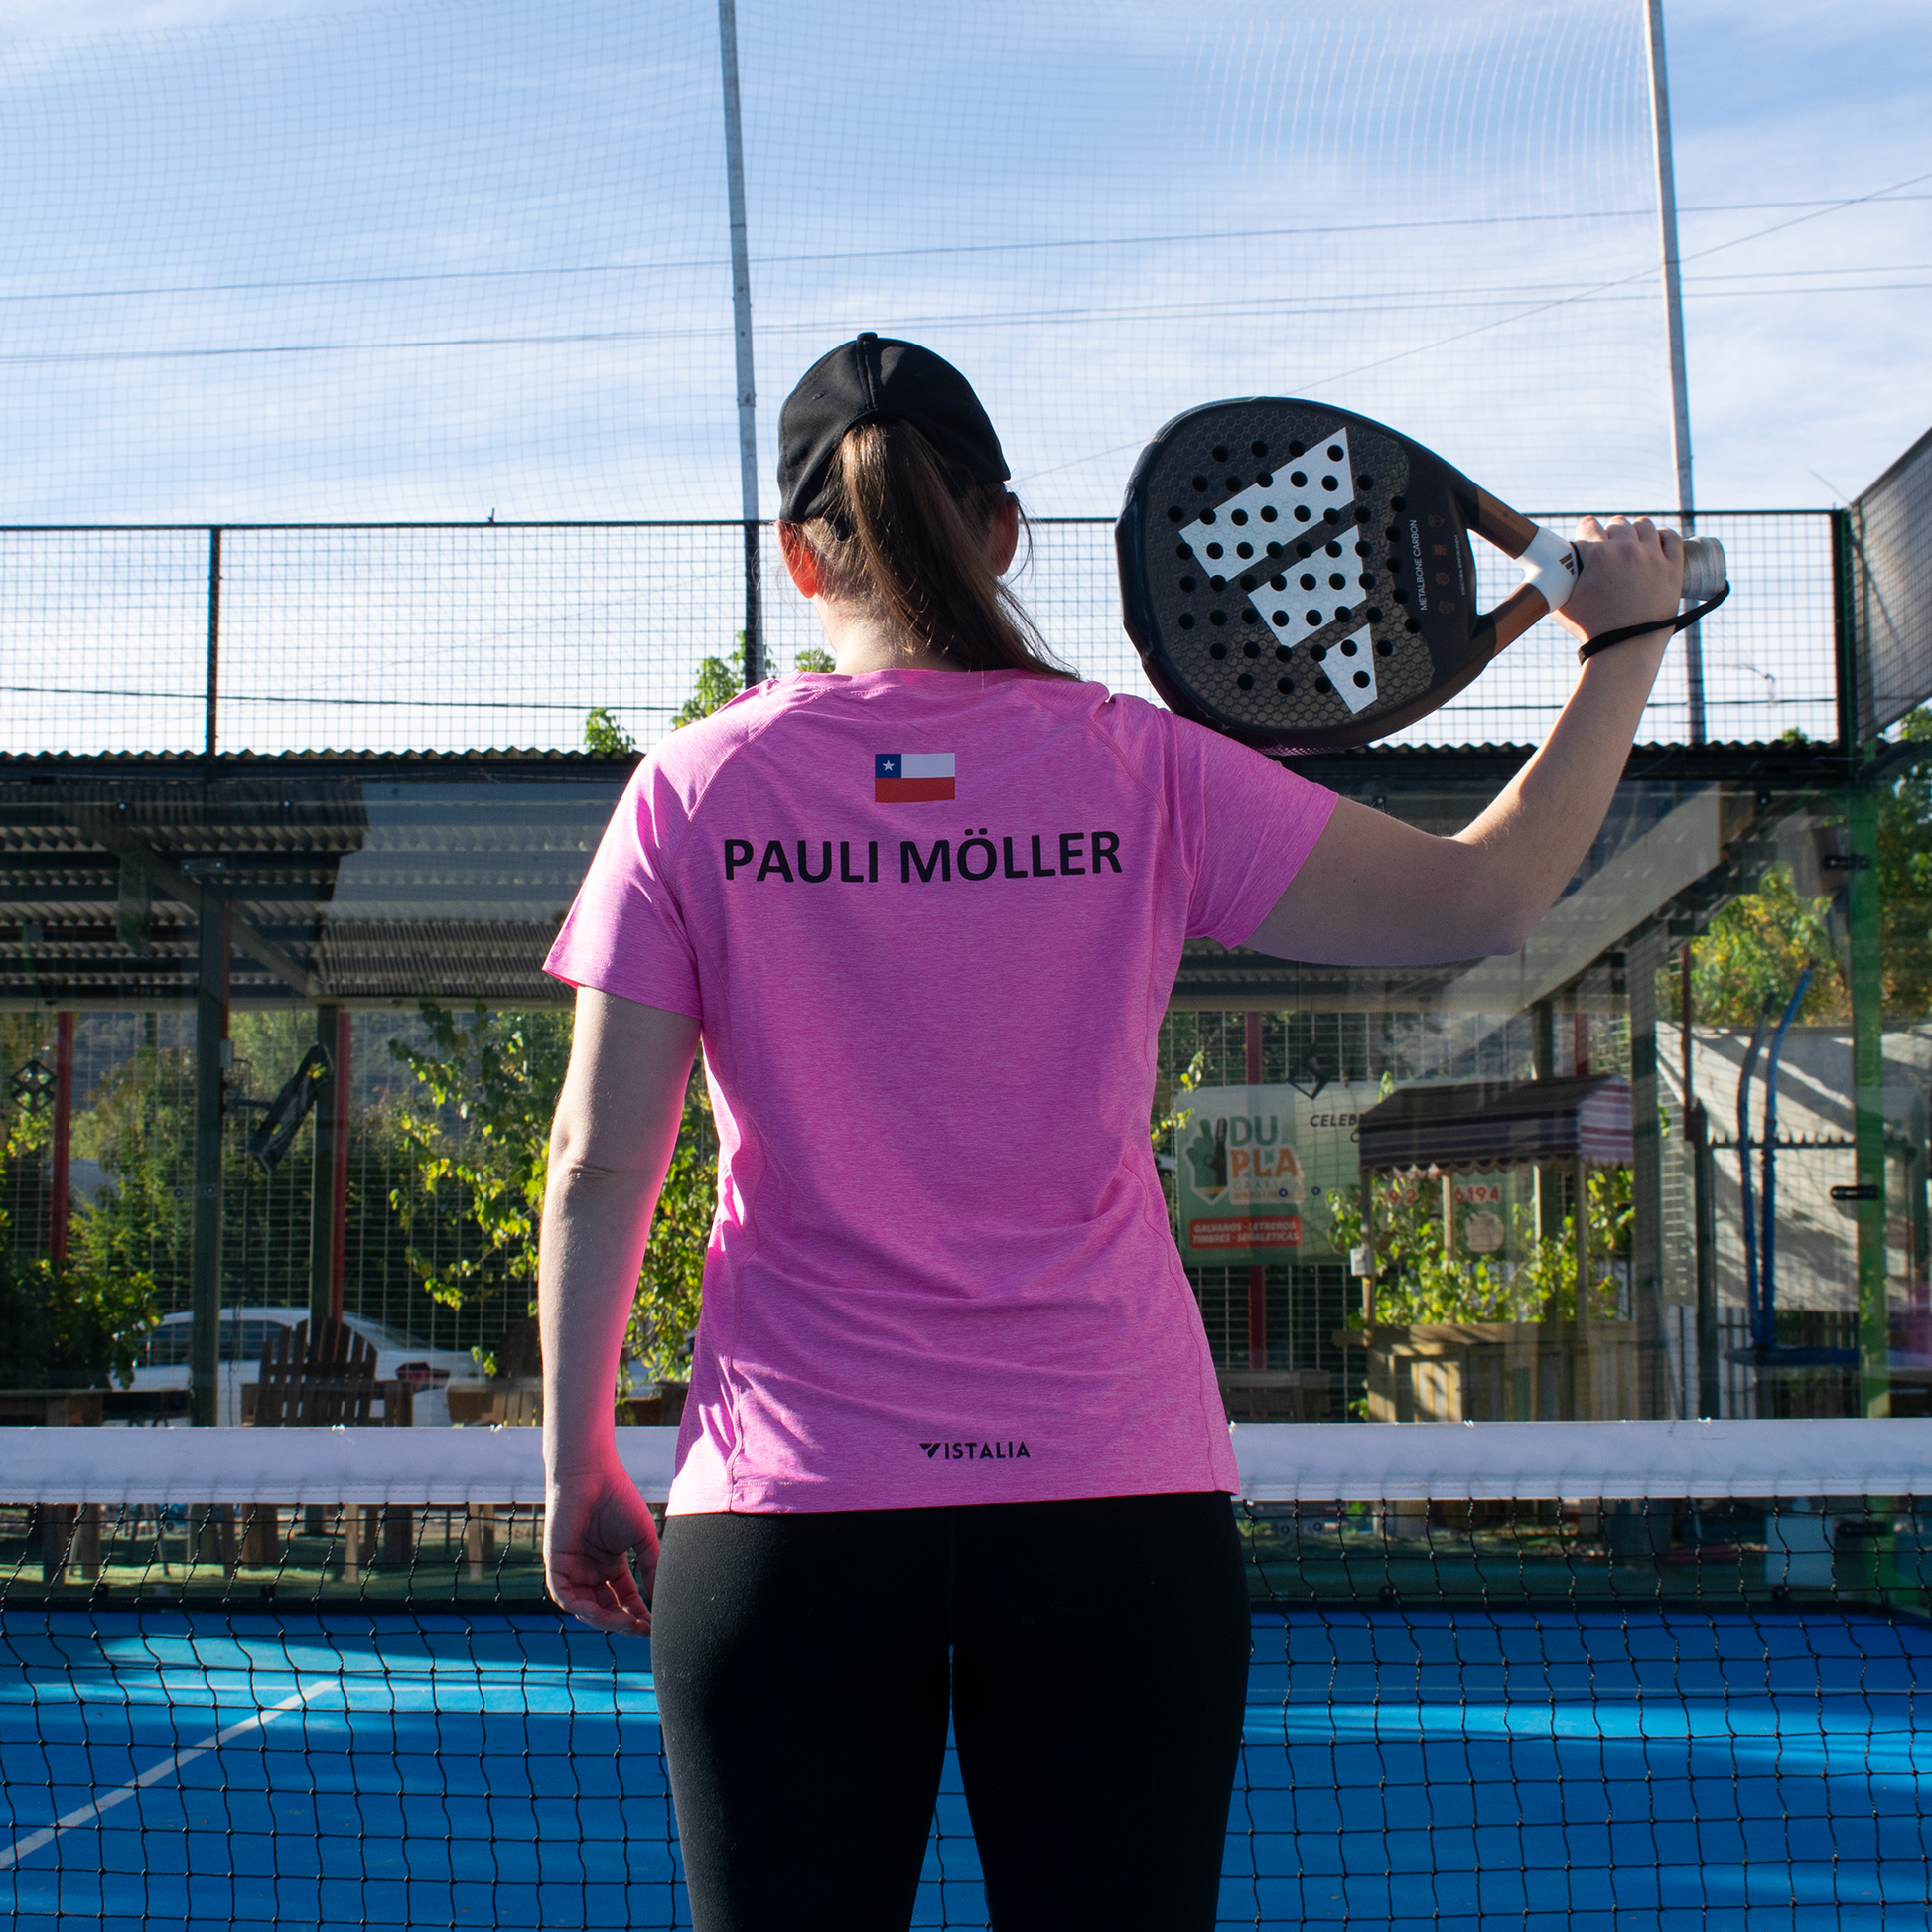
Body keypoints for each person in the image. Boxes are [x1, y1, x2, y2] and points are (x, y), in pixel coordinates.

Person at [538, 334, 1685, 1931]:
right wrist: (1619, 642)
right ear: (1002, 533)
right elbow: (1484, 895)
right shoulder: (1139, 770)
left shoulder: (695, 788)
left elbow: (601, 1152)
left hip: (789, 1523)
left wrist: (576, 1451)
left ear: (798, 558)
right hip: (1112, 1514)